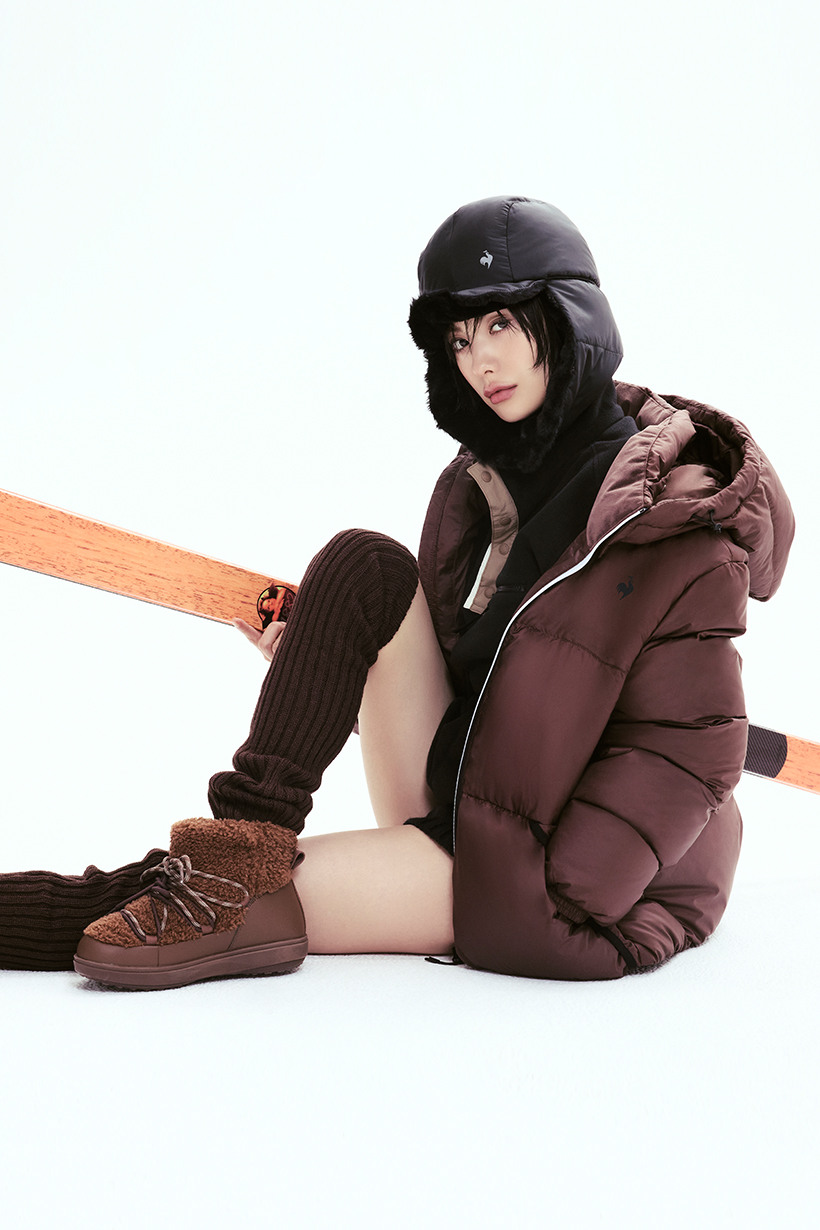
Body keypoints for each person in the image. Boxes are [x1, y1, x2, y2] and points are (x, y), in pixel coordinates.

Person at [0, 196, 794, 988]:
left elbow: (695, 746)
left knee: (196, 893)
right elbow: (487, 689)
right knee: (367, 565)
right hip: (469, 797)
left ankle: (226, 873)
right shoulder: (491, 486)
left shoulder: (673, 518)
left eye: (501, 324)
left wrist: (559, 894)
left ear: (569, 317)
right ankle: (236, 856)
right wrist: (320, 670)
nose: (480, 361)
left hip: (558, 882)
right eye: (460, 339)